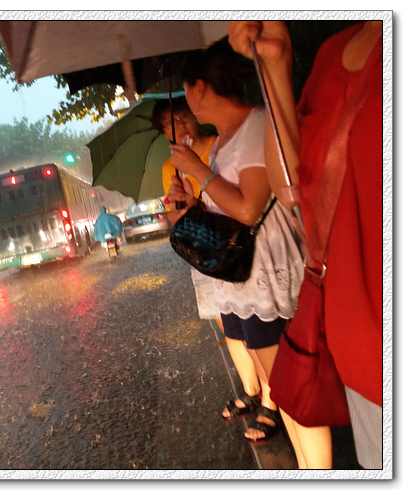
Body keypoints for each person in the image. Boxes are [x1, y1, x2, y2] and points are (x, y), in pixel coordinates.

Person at [228, 20, 383, 470]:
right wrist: (275, 66)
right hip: (358, 355)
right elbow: (293, 187)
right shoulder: (334, 52)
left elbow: (250, 207)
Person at [167, 38, 304, 449]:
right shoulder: (225, 139)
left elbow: (248, 209)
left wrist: (198, 170)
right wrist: (193, 203)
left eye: (186, 91)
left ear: (200, 89)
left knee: (290, 391)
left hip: (264, 271)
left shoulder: (256, 126)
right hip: (239, 275)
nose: (187, 100)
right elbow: (225, 206)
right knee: (271, 375)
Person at [152, 96, 263, 416]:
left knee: (254, 325)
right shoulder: (170, 167)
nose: (179, 127)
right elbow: (177, 217)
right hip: (205, 251)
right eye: (169, 125)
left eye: (183, 117)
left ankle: (272, 397)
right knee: (229, 326)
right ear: (164, 133)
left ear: (195, 115)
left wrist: (198, 175)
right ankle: (250, 390)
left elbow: (241, 199)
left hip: (237, 245)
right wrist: (182, 204)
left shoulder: (219, 145)